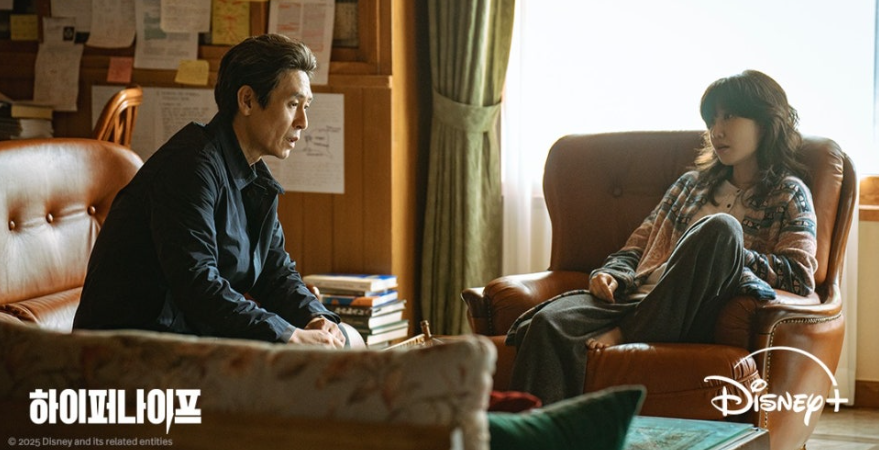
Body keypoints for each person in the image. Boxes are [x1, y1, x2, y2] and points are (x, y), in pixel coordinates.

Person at [506, 70, 818, 404]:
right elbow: (638, 245)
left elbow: (799, 277)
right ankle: (540, 428)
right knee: (548, 322)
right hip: (637, 297)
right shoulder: (690, 187)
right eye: (712, 120)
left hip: (697, 310)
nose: (717, 131)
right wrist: (612, 274)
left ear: (765, 123)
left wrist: (727, 257)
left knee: (722, 229)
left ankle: (629, 333)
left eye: (729, 116)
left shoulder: (789, 194)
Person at [73, 34, 349, 349]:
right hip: (128, 352)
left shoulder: (255, 178)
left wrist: (315, 317)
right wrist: (289, 334)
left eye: (306, 107)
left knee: (344, 343)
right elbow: (197, 283)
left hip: (191, 347)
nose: (303, 122)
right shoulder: (189, 166)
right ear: (247, 100)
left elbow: (274, 271)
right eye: (293, 104)